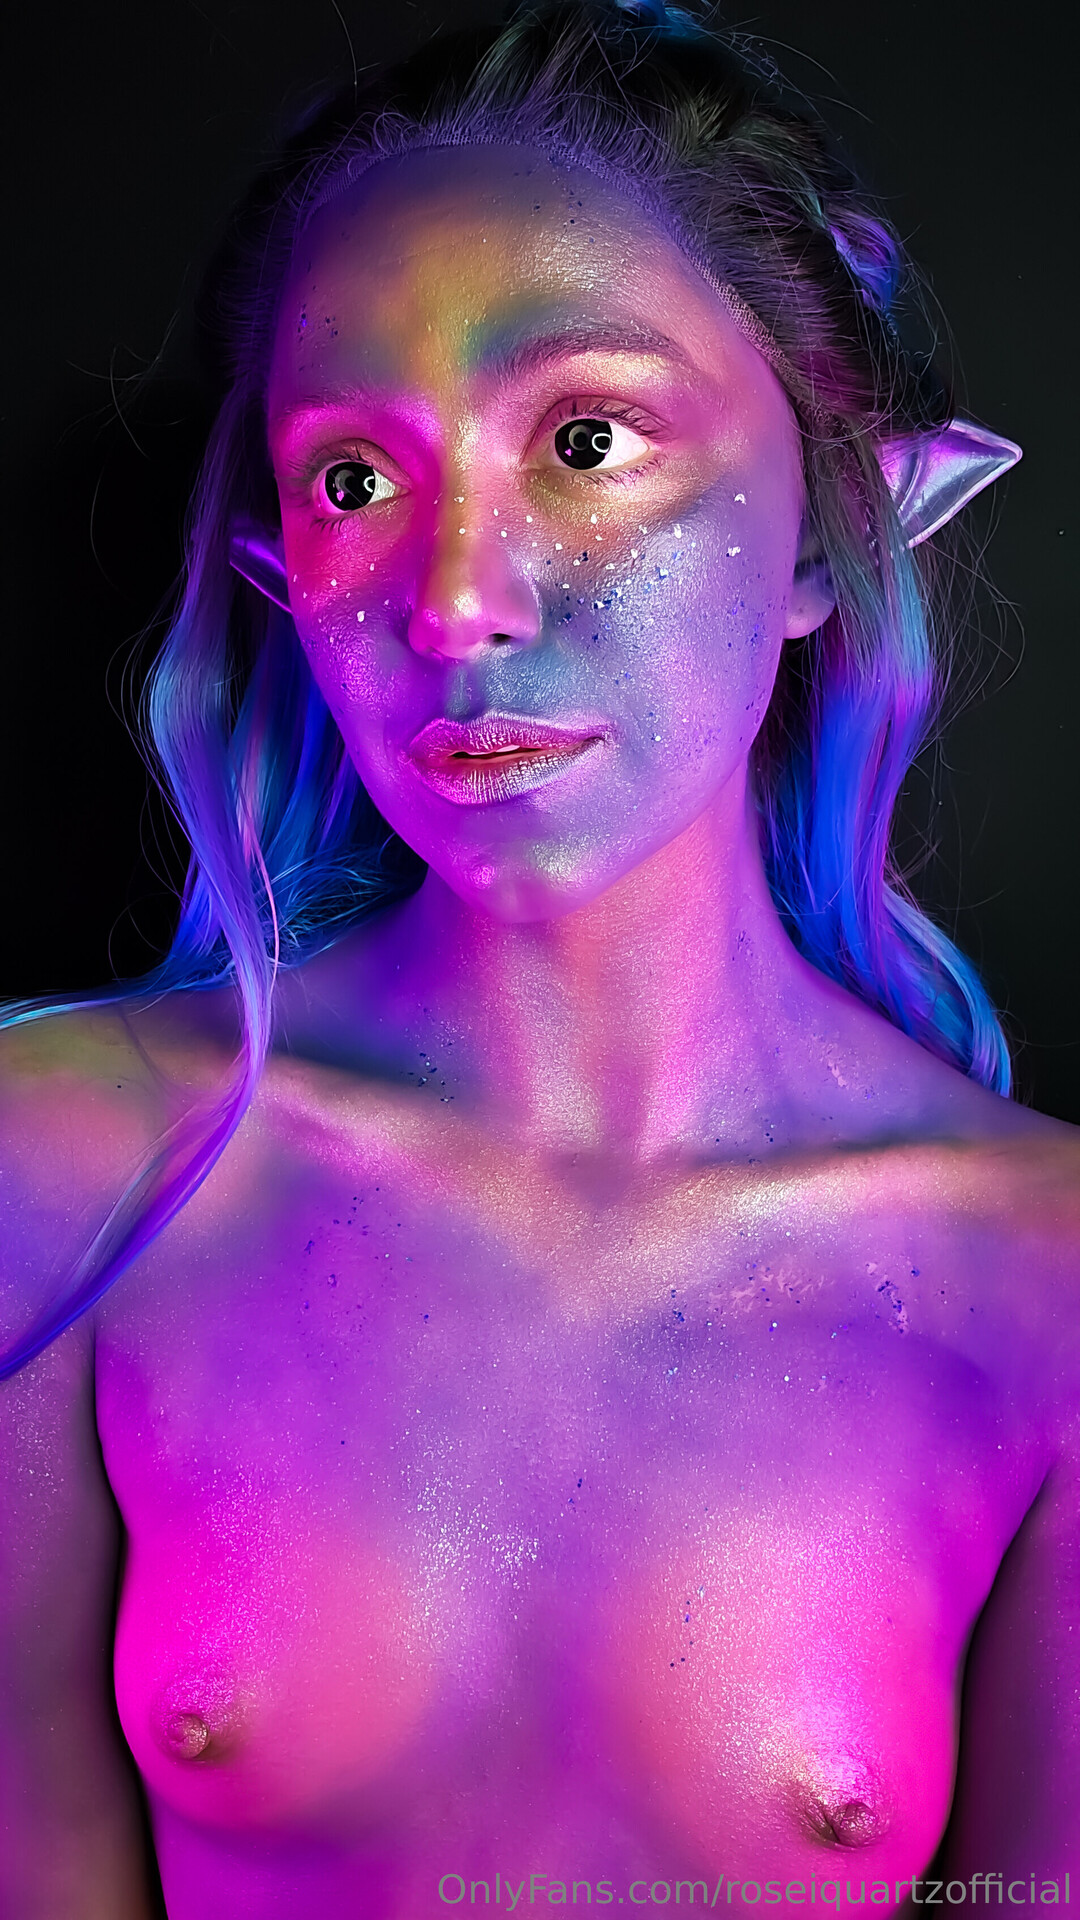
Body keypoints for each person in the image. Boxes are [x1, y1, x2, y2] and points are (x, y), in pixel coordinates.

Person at [1, 3, 1076, 1913]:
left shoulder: (1047, 1286)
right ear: (280, 569)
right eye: (353, 478)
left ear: (831, 531)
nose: (456, 601)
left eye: (586, 441)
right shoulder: (67, 1176)